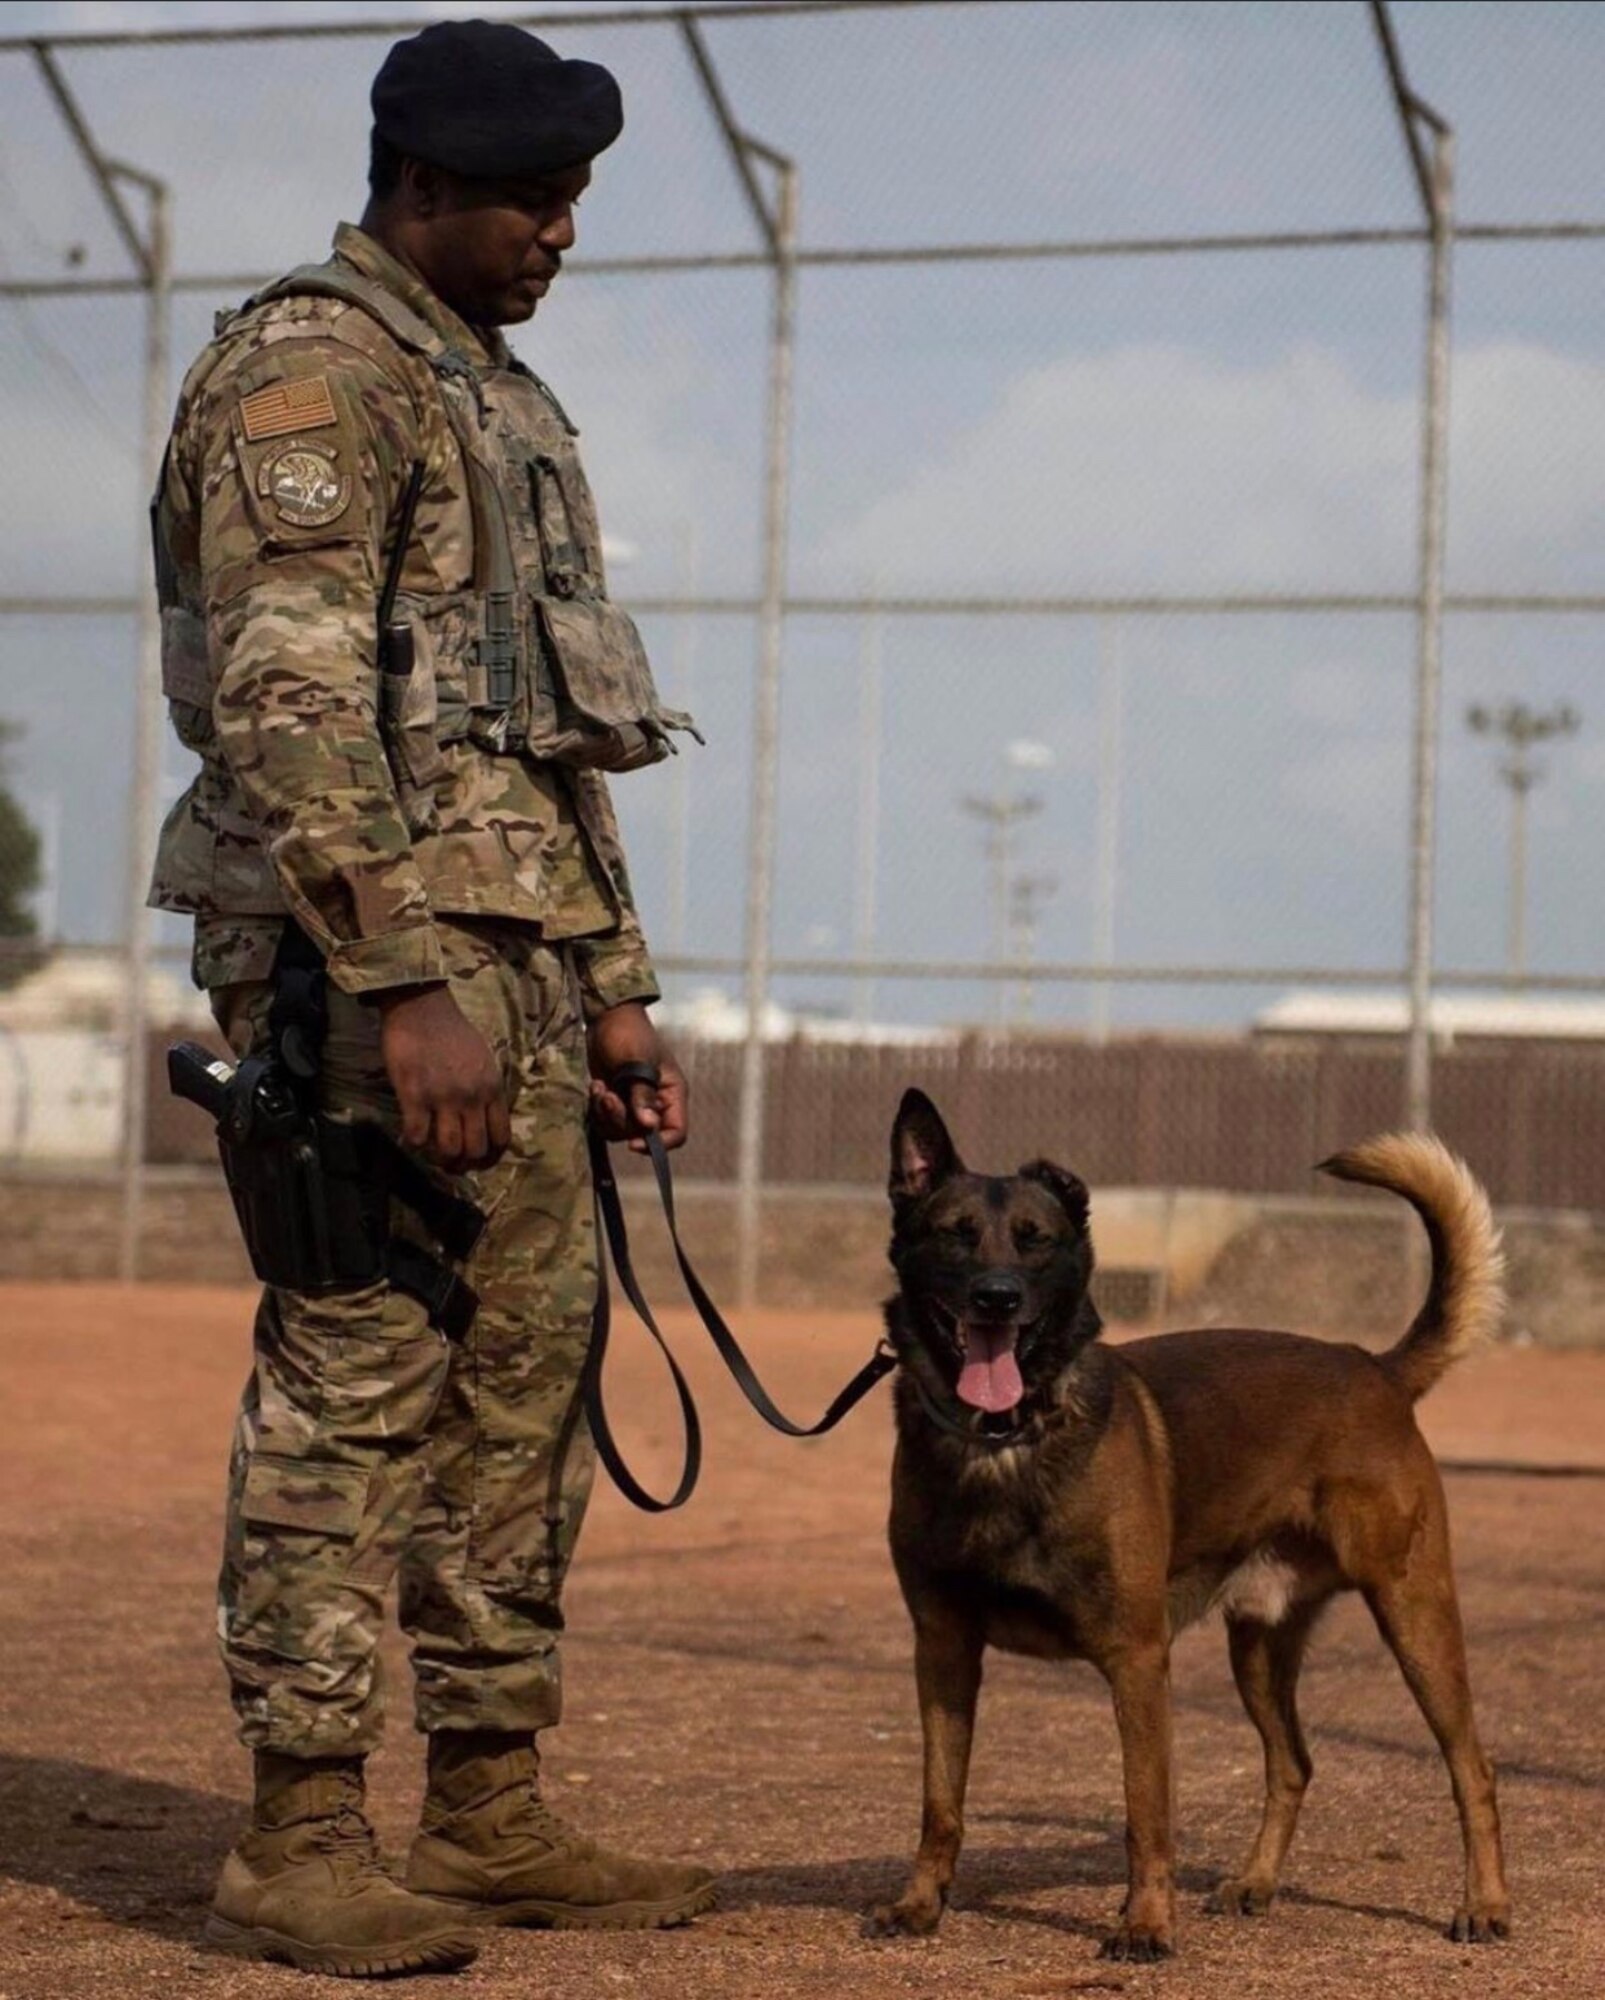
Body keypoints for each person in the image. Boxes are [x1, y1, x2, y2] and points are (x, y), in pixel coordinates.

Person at [148, 19, 712, 1978]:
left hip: (518, 959)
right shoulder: (313, 375)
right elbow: (290, 708)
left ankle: (479, 1809)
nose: (562, 232)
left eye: (573, 200)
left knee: (525, 1380)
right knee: (360, 1368)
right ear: (418, 189)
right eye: (531, 200)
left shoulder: (496, 395)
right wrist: (387, 981)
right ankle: (298, 1836)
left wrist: (616, 990)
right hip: (369, 963)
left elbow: (549, 729)